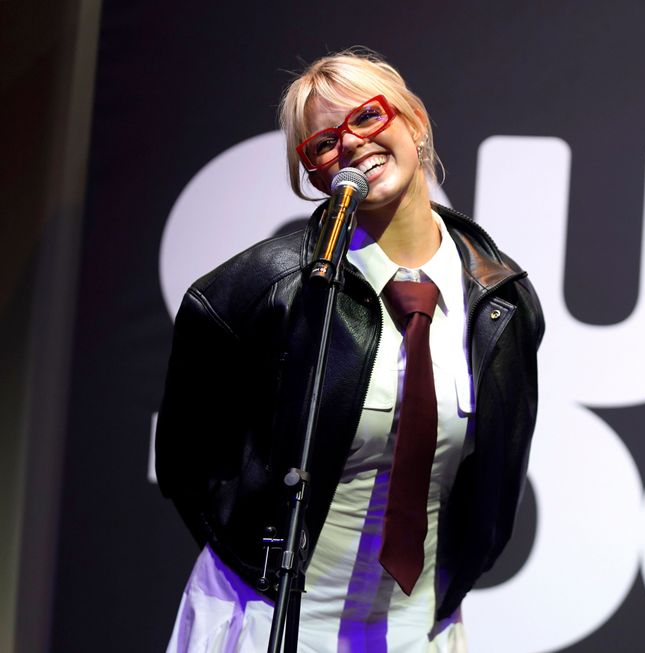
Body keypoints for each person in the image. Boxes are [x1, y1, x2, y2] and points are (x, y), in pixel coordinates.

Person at [155, 49, 544, 652]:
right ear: (315, 177)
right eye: (324, 144)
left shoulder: (501, 301)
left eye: (367, 117)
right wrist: (254, 567)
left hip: (420, 629)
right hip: (266, 619)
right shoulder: (260, 295)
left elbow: (497, 475)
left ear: (415, 122)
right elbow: (188, 466)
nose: (353, 144)